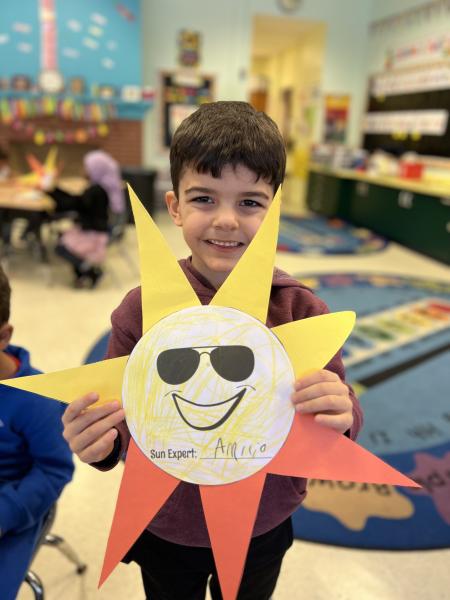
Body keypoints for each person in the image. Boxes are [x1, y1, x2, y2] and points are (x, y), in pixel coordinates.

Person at [62, 101, 363, 600]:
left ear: (275, 212)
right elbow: (116, 423)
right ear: (174, 206)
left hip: (262, 525)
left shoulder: (301, 310)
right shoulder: (141, 311)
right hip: (165, 525)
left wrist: (342, 412)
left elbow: (338, 413)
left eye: (249, 203)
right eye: (204, 198)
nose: (226, 220)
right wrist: (97, 440)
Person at [0, 265, 74, 600]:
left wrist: (6, 512)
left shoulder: (35, 398)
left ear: (4, 335)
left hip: (16, 504)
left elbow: (54, 469)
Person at [44, 149, 125, 288]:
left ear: (96, 169)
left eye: (87, 167)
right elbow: (77, 201)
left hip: (94, 234)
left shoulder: (96, 192)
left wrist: (52, 190)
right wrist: (55, 190)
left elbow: (73, 203)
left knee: (60, 247)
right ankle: (83, 273)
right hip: (95, 229)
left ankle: (89, 271)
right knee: (63, 237)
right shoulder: (101, 188)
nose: (84, 170)